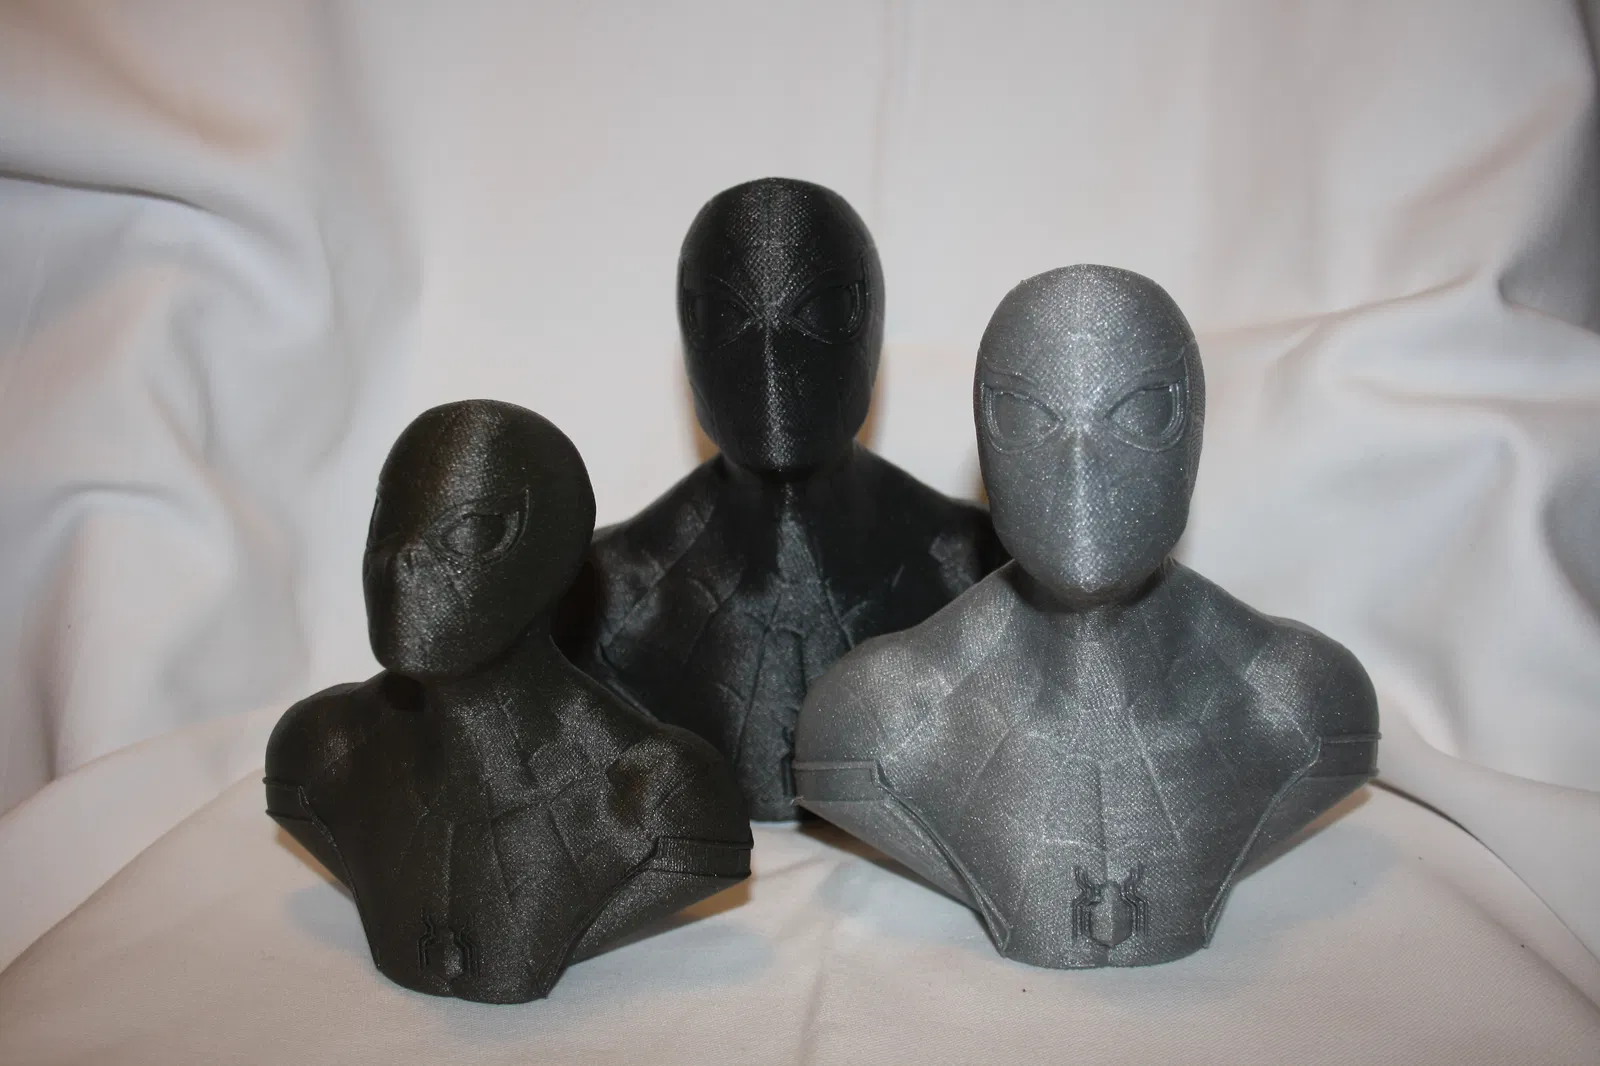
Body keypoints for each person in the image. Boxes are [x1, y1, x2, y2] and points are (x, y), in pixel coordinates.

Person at [795, 266, 1379, 968]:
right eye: (1026, 415)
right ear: (984, 439)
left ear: (1193, 433)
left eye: (1137, 412)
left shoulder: (1304, 703)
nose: (1079, 466)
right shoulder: (878, 720)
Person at [265, 400, 751, 1003]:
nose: (403, 559)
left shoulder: (656, 798)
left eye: (468, 532)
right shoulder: (318, 756)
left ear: (557, 555)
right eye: (387, 523)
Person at [558, 178, 1005, 822]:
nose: (771, 356)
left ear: (871, 324)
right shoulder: (600, 596)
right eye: (729, 315)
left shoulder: (981, 572)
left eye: (818, 311)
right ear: (689, 332)